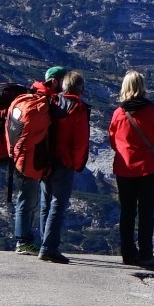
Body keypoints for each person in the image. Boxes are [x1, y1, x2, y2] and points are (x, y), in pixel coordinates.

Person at [109, 70, 154, 269]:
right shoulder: (152, 111)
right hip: (148, 169)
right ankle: (146, 254)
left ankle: (128, 253)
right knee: (146, 213)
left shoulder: (118, 113)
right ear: (142, 87)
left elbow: (113, 141)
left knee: (127, 212)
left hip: (124, 169)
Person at [38, 68, 91, 263]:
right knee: (58, 204)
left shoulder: (51, 101)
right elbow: (80, 142)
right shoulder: (78, 108)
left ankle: (44, 244)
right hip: (64, 161)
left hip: (44, 159)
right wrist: (76, 164)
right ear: (80, 88)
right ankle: (49, 248)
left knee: (45, 203)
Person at [7, 66, 63, 251]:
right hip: (32, 159)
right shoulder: (42, 104)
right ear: (54, 81)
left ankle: (25, 240)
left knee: (26, 199)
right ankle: (23, 241)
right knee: (28, 201)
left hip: (17, 156)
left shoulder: (25, 98)